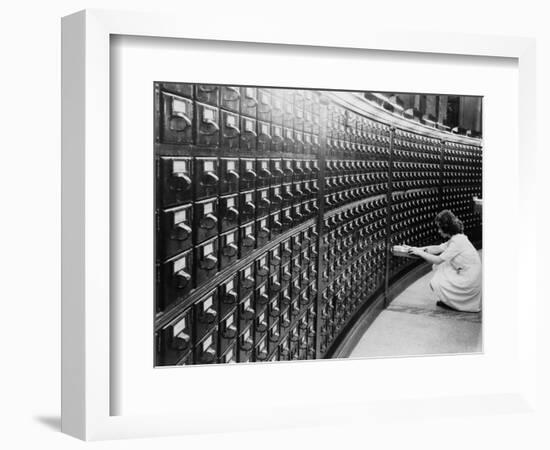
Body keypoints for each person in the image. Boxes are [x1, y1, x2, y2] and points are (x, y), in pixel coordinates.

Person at [404, 210, 482, 313]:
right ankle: (449, 301)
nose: (439, 231)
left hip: (469, 281)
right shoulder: (458, 238)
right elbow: (437, 248)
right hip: (469, 275)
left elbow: (437, 260)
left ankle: (452, 303)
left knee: (439, 273)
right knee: (443, 266)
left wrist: (419, 253)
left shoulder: (457, 242)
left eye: (440, 228)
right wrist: (415, 248)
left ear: (446, 228)